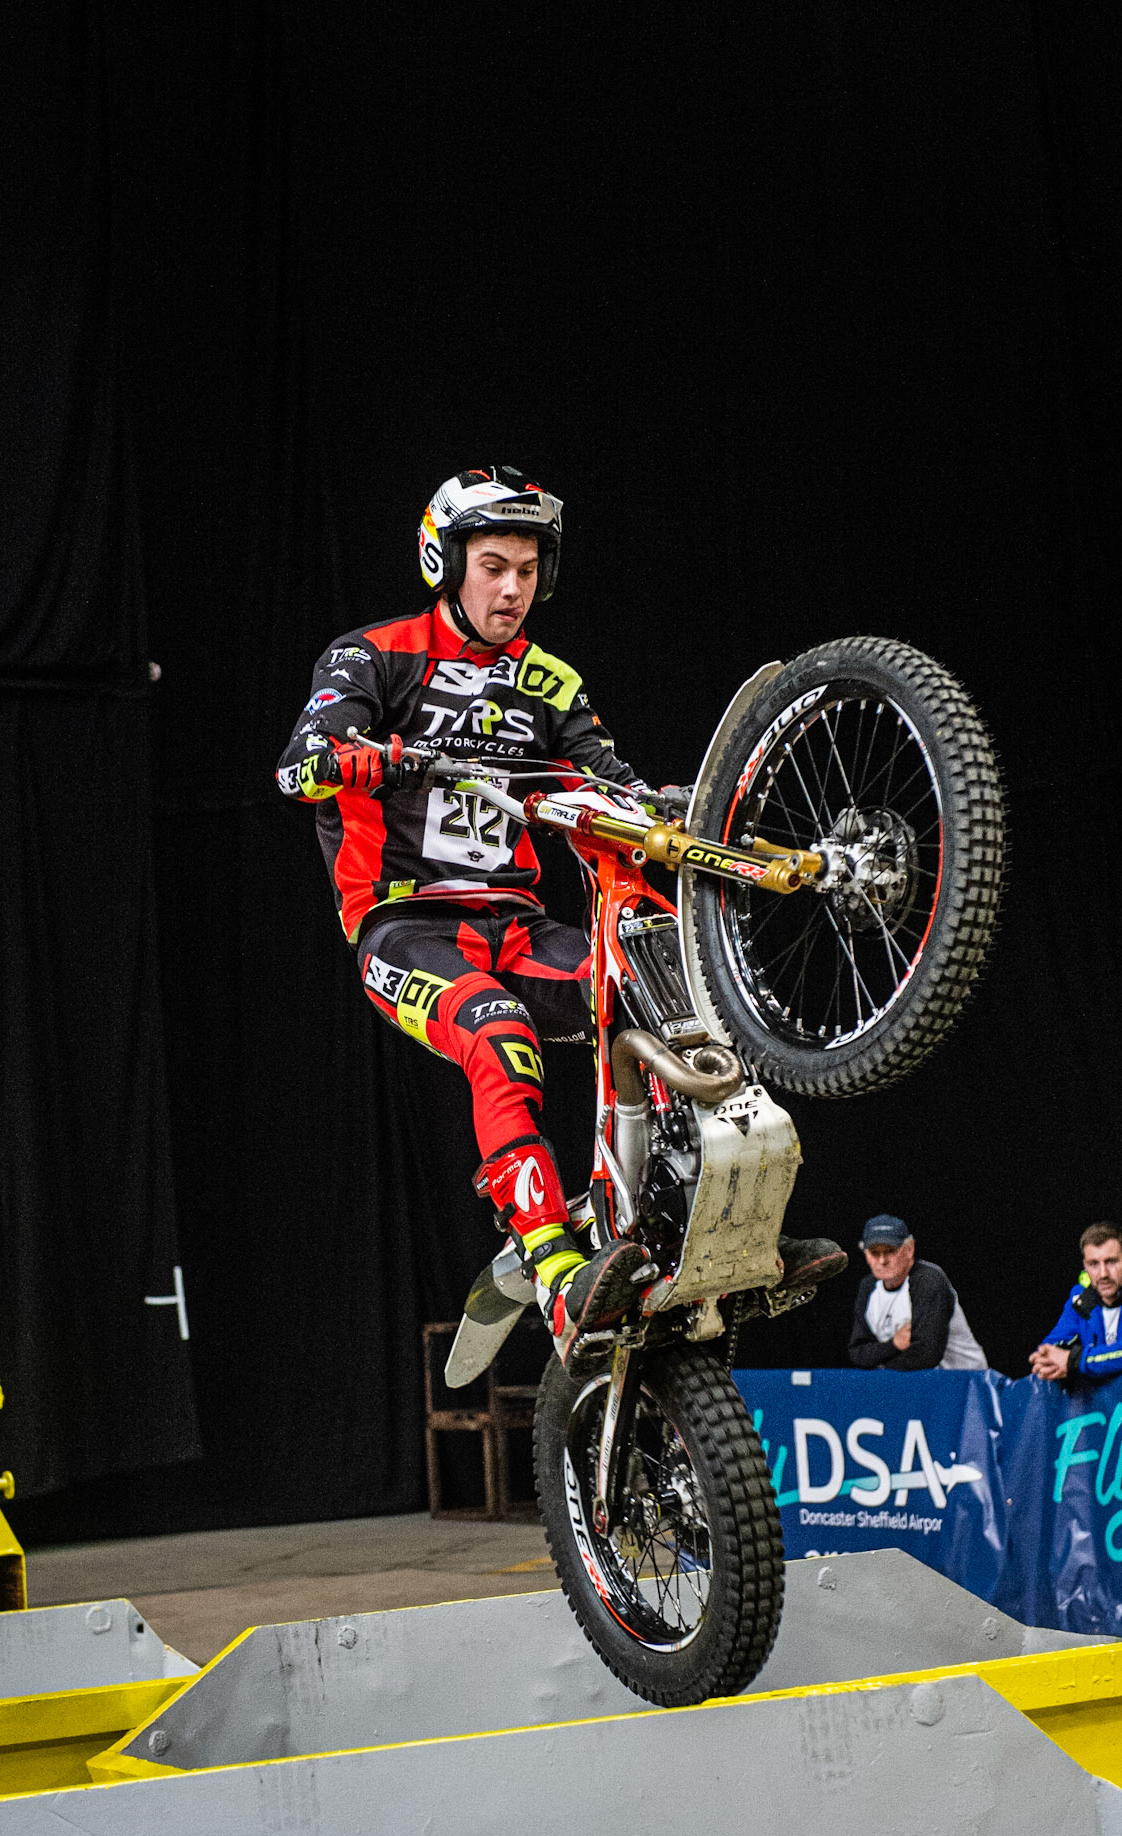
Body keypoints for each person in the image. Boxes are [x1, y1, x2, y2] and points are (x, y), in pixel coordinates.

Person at [277, 466, 843, 1364]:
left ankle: (723, 1231)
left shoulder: (548, 680)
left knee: (665, 1003)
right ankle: (552, 1263)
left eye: (529, 570)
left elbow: (603, 777)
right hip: (404, 927)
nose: (511, 589)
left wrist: (657, 808)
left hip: (518, 923)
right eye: (494, 566)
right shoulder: (371, 655)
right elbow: (300, 763)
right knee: (497, 1032)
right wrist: (368, 759)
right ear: (446, 562)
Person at [1029, 1221, 1122, 1386]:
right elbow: (1053, 1342)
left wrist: (1074, 1361)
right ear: (1085, 1266)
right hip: (1107, 1405)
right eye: (1094, 1264)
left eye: (1111, 1262)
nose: (1103, 1274)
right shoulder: (1080, 1297)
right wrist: (1045, 1359)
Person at [847, 1215, 987, 1371]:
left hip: (965, 1382)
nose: (882, 1261)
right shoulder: (868, 1286)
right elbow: (857, 1353)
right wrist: (894, 1344)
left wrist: (882, 1366)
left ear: (909, 1249)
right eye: (874, 1253)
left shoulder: (929, 1281)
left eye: (890, 1251)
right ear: (866, 1254)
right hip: (909, 1380)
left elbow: (926, 1355)